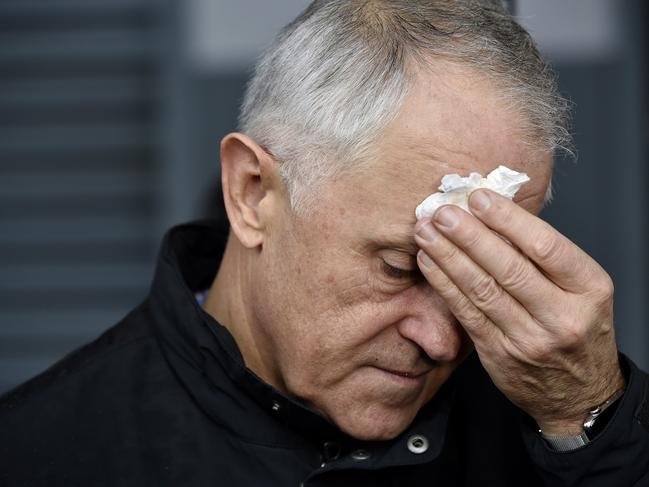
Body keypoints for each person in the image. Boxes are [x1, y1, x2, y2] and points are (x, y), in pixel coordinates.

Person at [1, 1, 648, 485]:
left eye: (482, 272)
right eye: (400, 266)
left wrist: (590, 421)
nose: (444, 340)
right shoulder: (43, 453)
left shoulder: (541, 416)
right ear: (252, 192)